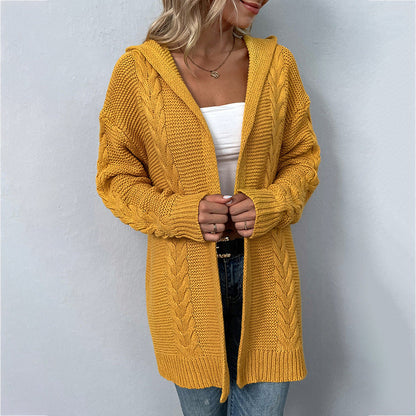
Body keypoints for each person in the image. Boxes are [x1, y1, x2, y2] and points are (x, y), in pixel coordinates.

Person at [95, 0, 321, 414]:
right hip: (183, 289)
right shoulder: (138, 71)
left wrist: (270, 203)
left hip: (268, 280)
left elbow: (301, 158)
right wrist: (180, 214)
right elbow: (116, 177)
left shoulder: (277, 64)